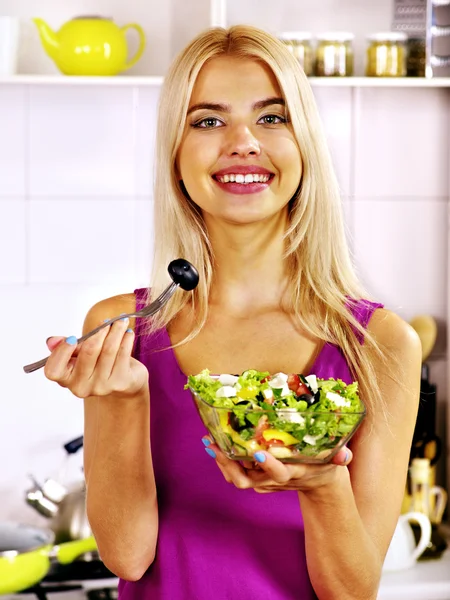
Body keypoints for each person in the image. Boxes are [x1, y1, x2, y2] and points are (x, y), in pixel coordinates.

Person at [44, 25, 422, 600]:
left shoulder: (380, 343)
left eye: (272, 118)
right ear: (176, 154)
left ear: (304, 148)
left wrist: (322, 486)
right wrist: (122, 401)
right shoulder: (126, 329)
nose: (243, 142)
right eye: (208, 120)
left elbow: (352, 592)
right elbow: (127, 555)